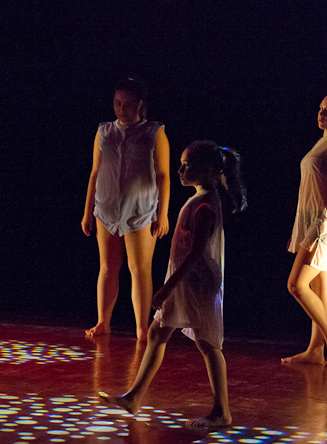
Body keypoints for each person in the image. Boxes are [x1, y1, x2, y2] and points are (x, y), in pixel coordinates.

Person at [100, 140, 247, 427]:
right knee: (157, 333)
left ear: (208, 170)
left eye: (186, 166)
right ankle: (134, 397)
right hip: (186, 281)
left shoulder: (205, 205)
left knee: (208, 344)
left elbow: (195, 255)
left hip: (196, 284)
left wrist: (167, 287)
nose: (179, 170)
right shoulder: (200, 200)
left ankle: (222, 412)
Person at [81, 78, 170, 339]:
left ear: (140, 104)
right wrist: (87, 211)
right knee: (107, 268)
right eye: (117, 103)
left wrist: (163, 214)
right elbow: (94, 172)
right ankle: (103, 322)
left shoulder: (153, 132)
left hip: (140, 210)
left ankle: (141, 328)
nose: (122, 109)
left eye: (128, 104)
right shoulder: (104, 131)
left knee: (139, 269)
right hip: (106, 209)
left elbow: (164, 175)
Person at [282, 94, 327, 365]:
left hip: (326, 224)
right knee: (321, 286)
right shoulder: (321, 143)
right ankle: (315, 350)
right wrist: (299, 230)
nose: (322, 113)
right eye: (321, 109)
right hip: (311, 222)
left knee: (296, 285)